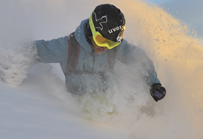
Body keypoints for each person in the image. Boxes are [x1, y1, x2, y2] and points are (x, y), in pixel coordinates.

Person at [32, 4, 166, 102]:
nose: (106, 47)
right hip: (77, 111)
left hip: (110, 105)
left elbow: (139, 59)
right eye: (101, 40)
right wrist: (15, 62)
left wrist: (154, 84)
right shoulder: (68, 47)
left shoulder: (114, 48)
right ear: (91, 30)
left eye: (111, 43)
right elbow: (34, 50)